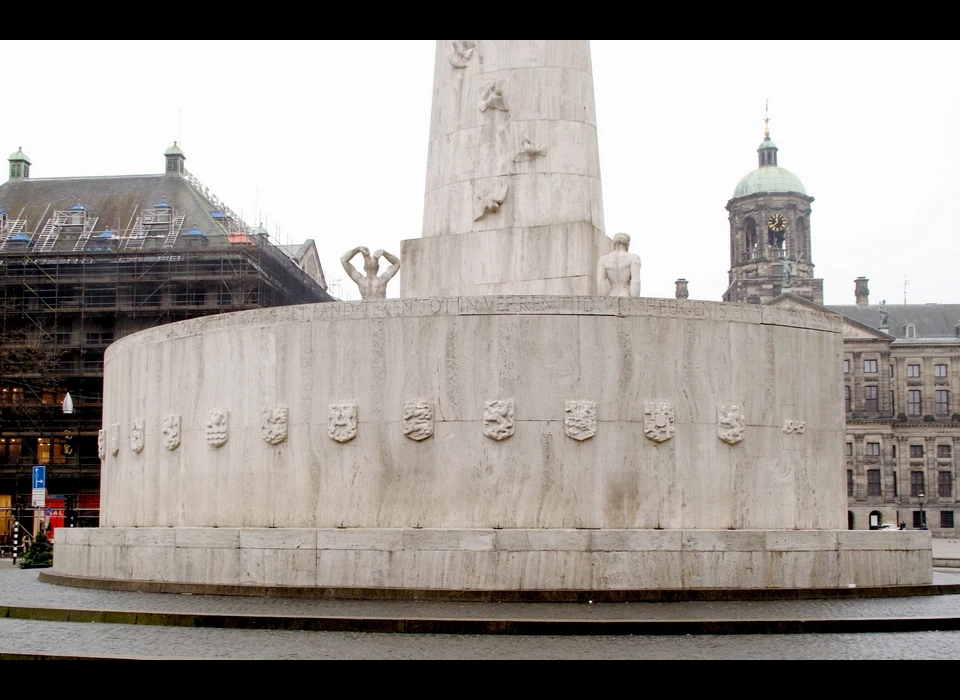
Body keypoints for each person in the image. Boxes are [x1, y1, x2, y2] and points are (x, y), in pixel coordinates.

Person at [596, 233, 641, 297]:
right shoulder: (633, 258)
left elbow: (601, 283)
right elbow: (635, 281)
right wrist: (635, 300)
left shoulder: (603, 259)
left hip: (611, 295)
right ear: (628, 244)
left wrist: (602, 300)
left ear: (614, 244)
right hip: (625, 294)